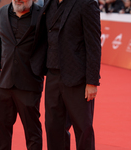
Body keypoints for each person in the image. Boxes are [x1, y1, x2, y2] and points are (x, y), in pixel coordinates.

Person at [37, 0, 101, 149]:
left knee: (83, 128)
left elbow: (93, 44)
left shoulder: (86, 3)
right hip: (52, 74)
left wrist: (92, 82)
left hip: (78, 77)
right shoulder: (49, 2)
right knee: (53, 126)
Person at [0, 0, 47, 150]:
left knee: (32, 132)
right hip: (5, 82)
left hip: (30, 82)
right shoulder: (2, 13)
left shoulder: (43, 15)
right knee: (1, 129)